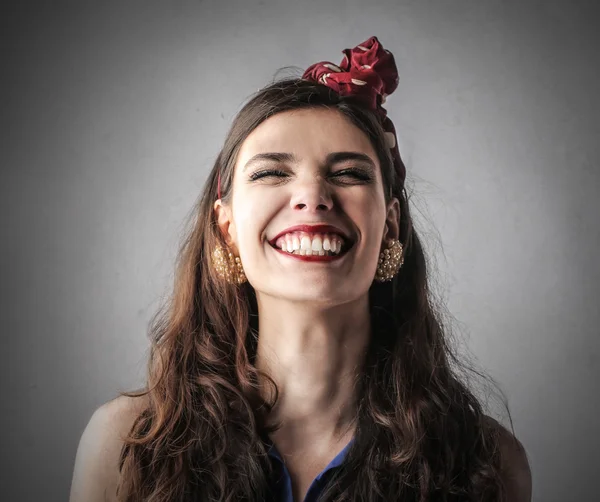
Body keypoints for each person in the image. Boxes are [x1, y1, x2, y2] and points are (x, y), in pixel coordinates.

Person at [69, 36, 532, 501]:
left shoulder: (488, 463)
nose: (312, 197)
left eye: (349, 173)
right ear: (226, 227)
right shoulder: (124, 446)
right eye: (271, 173)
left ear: (390, 225)